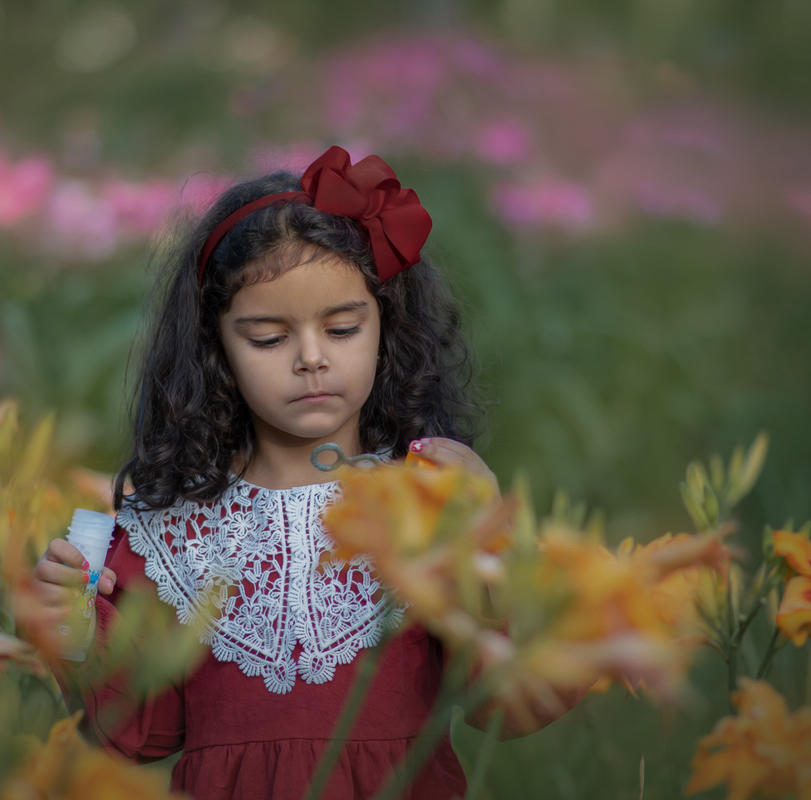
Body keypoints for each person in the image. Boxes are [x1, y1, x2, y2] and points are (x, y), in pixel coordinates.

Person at [33, 146, 555, 799]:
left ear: (386, 328)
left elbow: (509, 705)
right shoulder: (171, 535)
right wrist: (74, 627)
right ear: (217, 349)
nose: (311, 358)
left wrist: (490, 540)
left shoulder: (429, 502)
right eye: (269, 338)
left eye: (342, 329)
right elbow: (139, 735)